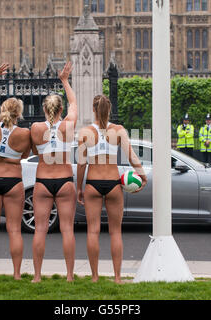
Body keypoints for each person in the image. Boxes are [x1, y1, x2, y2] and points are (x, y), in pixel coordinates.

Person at [76, 95, 147, 284]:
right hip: (113, 183)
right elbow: (131, 156)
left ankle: (94, 277)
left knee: (93, 231)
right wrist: (142, 175)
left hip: (93, 183)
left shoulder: (85, 132)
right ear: (109, 109)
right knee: (116, 232)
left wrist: (79, 188)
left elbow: (81, 164)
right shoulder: (118, 130)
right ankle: (117, 278)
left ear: (93, 110)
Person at [0, 63, 31, 280]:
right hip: (13, 181)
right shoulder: (24, 133)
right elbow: (23, 156)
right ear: (19, 113)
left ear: (2, 110)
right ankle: (17, 274)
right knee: (14, 230)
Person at [30, 61, 78, 283]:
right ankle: (69, 276)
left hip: (43, 182)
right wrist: (65, 81)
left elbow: (32, 148)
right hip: (65, 181)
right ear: (61, 110)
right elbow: (74, 103)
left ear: (43, 109)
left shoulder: (36, 128)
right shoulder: (67, 125)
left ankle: (37, 276)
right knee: (67, 230)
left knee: (40, 230)